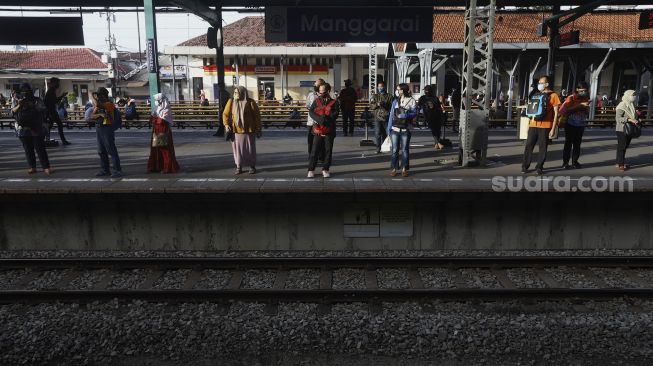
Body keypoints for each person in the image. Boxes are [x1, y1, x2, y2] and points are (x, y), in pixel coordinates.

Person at [521, 75, 561, 175]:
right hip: (533, 124)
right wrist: (528, 126)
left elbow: (556, 113)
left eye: (542, 83)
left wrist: (553, 128)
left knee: (543, 147)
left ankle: (539, 166)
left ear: (547, 84)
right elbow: (531, 111)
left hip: (546, 125)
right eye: (539, 83)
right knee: (529, 145)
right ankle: (525, 166)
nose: (539, 84)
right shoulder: (536, 94)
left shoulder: (553, 95)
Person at [11, 83, 52, 175]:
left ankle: (46, 167)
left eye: (27, 90)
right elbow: (12, 111)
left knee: (40, 148)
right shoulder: (16, 100)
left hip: (36, 128)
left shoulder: (37, 100)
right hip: (22, 129)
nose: (25, 92)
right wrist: (19, 105)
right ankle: (32, 167)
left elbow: (44, 110)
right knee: (28, 149)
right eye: (23, 90)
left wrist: (32, 105)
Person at [223, 86, 262, 175]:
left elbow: (257, 116)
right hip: (236, 130)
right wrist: (226, 125)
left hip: (249, 130)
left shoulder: (250, 102)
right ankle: (239, 166)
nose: (235, 94)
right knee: (237, 150)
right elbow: (225, 114)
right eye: (235, 92)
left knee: (250, 149)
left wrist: (258, 128)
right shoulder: (231, 101)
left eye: (237, 93)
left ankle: (252, 166)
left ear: (243, 93)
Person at [307, 83, 339, 178]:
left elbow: (335, 114)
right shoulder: (316, 101)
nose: (320, 92)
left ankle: (325, 169)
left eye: (323, 91)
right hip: (317, 130)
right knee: (314, 150)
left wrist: (325, 120)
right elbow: (311, 112)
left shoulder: (335, 102)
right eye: (319, 91)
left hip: (329, 130)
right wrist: (320, 120)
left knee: (328, 151)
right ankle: (311, 169)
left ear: (328, 91)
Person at [89, 87, 122, 178]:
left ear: (103, 95)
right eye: (97, 95)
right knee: (101, 151)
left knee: (111, 150)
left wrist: (92, 96)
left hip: (107, 129)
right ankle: (105, 170)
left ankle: (117, 170)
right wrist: (99, 114)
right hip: (99, 128)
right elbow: (91, 116)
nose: (98, 97)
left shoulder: (109, 104)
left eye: (99, 95)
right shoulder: (98, 105)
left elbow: (97, 104)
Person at [387, 83, 417, 177]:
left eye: (398, 89)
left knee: (405, 150)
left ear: (403, 90)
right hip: (395, 129)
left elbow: (415, 113)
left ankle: (404, 168)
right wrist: (389, 129)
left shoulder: (411, 100)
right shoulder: (395, 101)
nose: (397, 91)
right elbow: (391, 115)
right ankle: (394, 168)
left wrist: (406, 115)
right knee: (394, 150)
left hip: (406, 128)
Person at [560, 81, 590, 169]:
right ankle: (565, 163)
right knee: (568, 143)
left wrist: (585, 108)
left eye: (585, 90)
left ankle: (575, 161)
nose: (584, 92)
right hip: (570, 123)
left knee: (577, 144)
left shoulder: (585, 98)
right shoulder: (571, 98)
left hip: (580, 124)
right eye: (582, 90)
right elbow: (564, 110)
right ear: (577, 89)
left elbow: (586, 112)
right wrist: (579, 106)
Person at [148, 93, 180, 174]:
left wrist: (154, 118)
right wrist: (153, 117)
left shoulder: (166, 109)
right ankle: (157, 166)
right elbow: (153, 119)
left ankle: (167, 167)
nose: (156, 102)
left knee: (164, 149)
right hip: (156, 130)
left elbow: (161, 121)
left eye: (157, 100)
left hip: (163, 130)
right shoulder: (158, 108)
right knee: (156, 148)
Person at [615, 90, 640, 171]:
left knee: (625, 146)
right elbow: (618, 119)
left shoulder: (632, 105)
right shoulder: (622, 105)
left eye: (635, 95)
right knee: (622, 147)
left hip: (629, 129)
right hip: (621, 129)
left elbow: (634, 116)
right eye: (633, 95)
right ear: (628, 95)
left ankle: (619, 162)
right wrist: (629, 119)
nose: (634, 97)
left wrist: (638, 119)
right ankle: (621, 164)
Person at [44, 77, 71, 145]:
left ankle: (44, 139)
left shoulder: (52, 90)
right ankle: (63, 140)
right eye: (57, 83)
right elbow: (54, 101)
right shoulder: (51, 91)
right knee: (57, 124)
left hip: (51, 111)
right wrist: (62, 96)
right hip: (51, 111)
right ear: (53, 83)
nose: (58, 84)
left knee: (50, 125)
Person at [418, 85, 445, 150]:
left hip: (434, 115)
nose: (425, 92)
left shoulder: (425, 98)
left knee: (436, 130)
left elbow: (418, 106)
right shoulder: (427, 98)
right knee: (435, 129)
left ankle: (437, 143)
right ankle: (438, 143)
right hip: (432, 116)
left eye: (426, 90)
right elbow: (419, 106)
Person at [369, 81, 392, 154]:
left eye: (381, 86)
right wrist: (377, 104)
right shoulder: (375, 96)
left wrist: (385, 104)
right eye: (379, 87)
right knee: (377, 133)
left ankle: (384, 147)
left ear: (384, 87)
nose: (380, 88)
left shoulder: (389, 96)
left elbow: (392, 106)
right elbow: (371, 106)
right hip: (377, 118)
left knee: (386, 133)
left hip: (386, 117)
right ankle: (378, 148)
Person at [306, 78, 326, 157]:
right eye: (315, 84)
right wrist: (313, 110)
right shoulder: (310, 95)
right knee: (310, 141)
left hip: (321, 122)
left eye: (317, 85)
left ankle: (321, 156)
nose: (315, 86)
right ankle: (311, 155)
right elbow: (307, 106)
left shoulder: (325, 95)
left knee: (321, 141)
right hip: (311, 122)